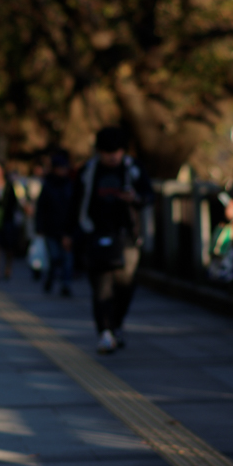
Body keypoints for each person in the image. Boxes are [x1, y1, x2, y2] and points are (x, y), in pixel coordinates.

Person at [75, 127, 153, 353]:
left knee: (125, 285)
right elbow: (75, 204)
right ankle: (105, 332)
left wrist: (134, 199)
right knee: (101, 287)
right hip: (95, 234)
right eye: (107, 152)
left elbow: (148, 196)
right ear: (99, 151)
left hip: (127, 236)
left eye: (116, 151)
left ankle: (116, 324)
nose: (112, 156)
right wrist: (71, 234)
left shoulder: (133, 170)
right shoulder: (88, 172)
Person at [34, 150, 76, 295]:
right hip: (51, 229)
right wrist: (39, 227)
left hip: (68, 229)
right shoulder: (48, 185)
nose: (62, 171)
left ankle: (66, 284)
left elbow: (75, 208)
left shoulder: (71, 185)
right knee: (55, 257)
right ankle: (51, 278)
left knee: (67, 258)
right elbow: (41, 208)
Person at [207, 192, 233, 283]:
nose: (227, 210)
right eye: (226, 207)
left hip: (227, 261)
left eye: (230, 207)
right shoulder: (221, 225)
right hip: (217, 258)